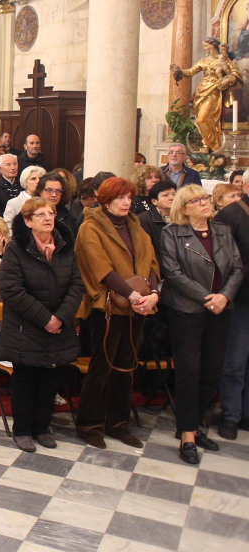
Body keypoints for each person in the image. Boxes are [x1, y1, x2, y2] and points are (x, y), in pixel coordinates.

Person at [74, 177, 160, 449]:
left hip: (137, 307)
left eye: (129, 197)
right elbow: (100, 268)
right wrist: (133, 295)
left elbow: (152, 264)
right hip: (107, 307)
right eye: (120, 198)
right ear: (105, 200)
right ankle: (89, 425)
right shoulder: (90, 227)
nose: (126, 202)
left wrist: (152, 294)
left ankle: (119, 424)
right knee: (102, 367)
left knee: (126, 368)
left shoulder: (136, 226)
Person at [160, 184, 243, 463]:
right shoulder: (172, 233)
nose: (204, 203)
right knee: (189, 372)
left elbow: (237, 268)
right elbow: (172, 273)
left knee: (211, 371)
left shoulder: (222, 230)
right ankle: (187, 435)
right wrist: (208, 298)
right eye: (196, 201)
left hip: (220, 310)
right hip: (187, 311)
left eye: (205, 198)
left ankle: (195, 425)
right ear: (184, 209)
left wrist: (224, 296)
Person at [0, 197, 85, 451]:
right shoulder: (17, 248)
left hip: (59, 327)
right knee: (25, 380)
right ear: (28, 221)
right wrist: (46, 319)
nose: (47, 218)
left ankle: (43, 428)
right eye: (40, 215)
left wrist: (61, 317)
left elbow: (77, 285)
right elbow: (11, 290)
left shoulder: (65, 246)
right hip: (26, 328)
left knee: (50, 378)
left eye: (51, 213)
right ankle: (23, 430)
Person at [215, 173, 249, 440]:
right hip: (239, 299)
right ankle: (230, 414)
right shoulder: (230, 214)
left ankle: (246, 413)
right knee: (235, 361)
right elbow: (224, 261)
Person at [4, 165, 45, 231]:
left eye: (40, 178)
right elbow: (8, 228)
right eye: (33, 179)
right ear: (25, 183)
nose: (38, 181)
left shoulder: (45, 202)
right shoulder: (14, 203)